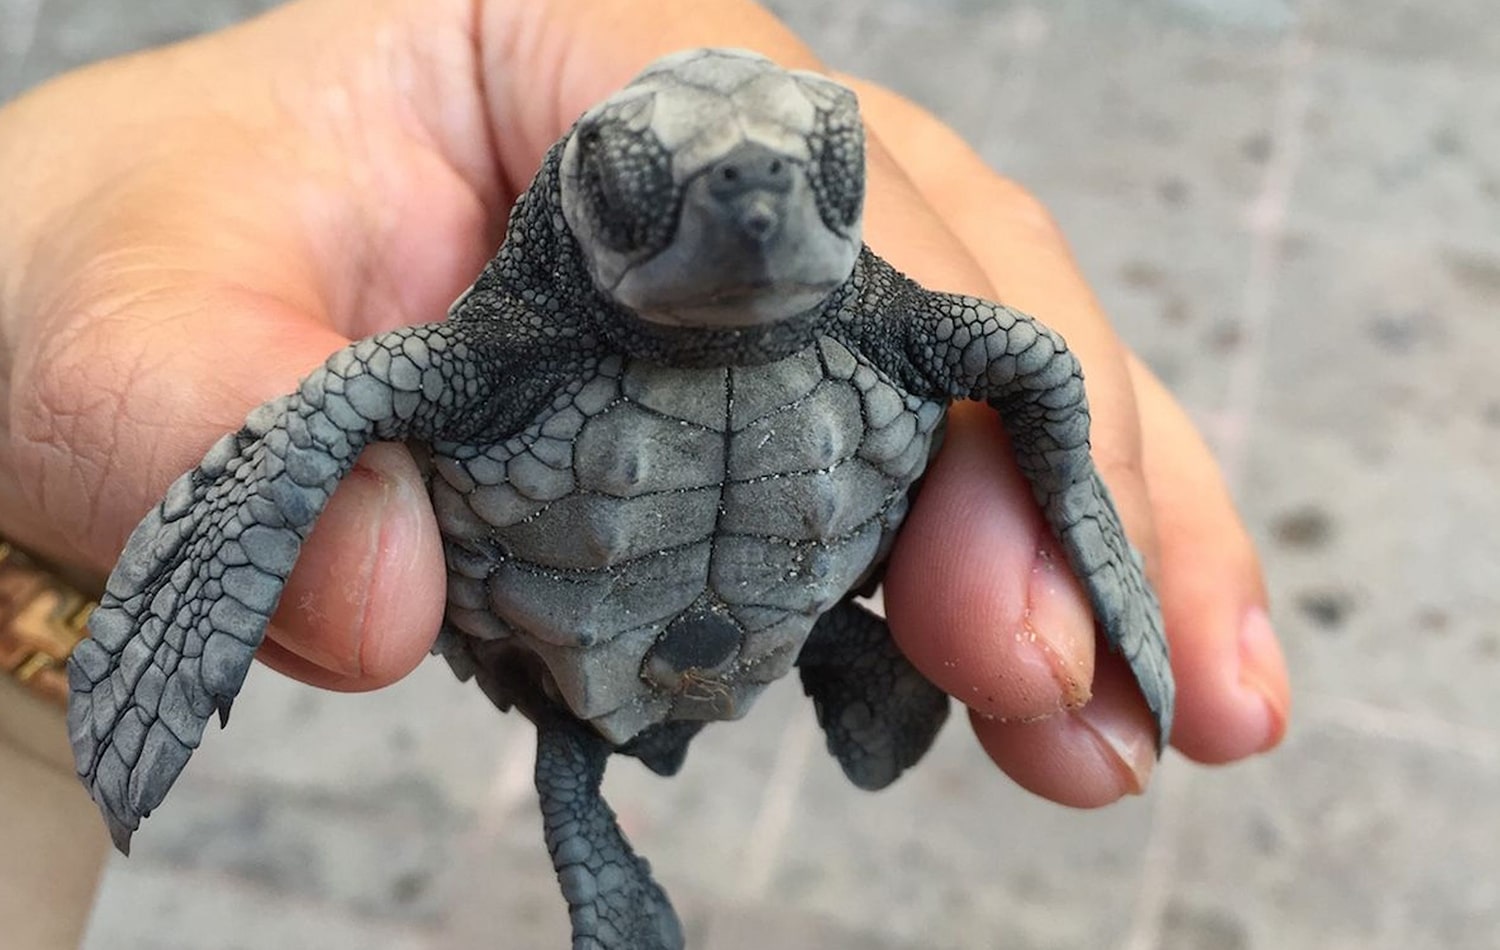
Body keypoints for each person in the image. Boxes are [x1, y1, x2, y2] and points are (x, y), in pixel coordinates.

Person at [0, 0, 1290, 945]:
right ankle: (598, 856)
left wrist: (1100, 553)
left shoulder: (904, 323)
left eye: (816, 176)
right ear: (581, 201)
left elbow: (1036, 373)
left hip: (810, 608)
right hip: (569, 664)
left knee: (1029, 374)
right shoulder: (488, 354)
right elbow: (333, 402)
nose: (754, 212)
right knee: (570, 748)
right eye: (642, 183)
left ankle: (857, 662)